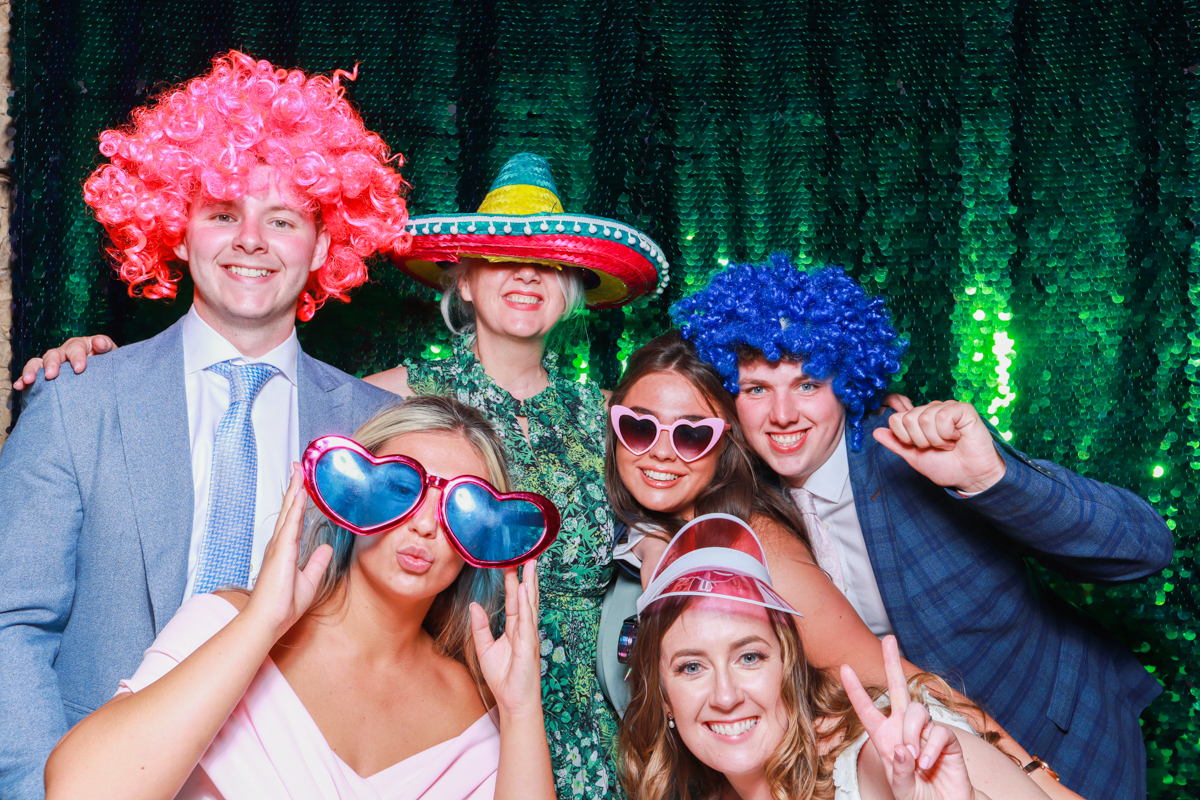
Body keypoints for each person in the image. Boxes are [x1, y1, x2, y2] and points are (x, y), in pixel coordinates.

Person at [0, 51, 407, 798]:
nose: (250, 240)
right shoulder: (77, 401)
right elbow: (10, 625)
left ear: (321, 246)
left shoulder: (380, 433)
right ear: (176, 233)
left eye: (282, 220)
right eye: (223, 214)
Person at [668, 254, 1174, 800]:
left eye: (808, 383)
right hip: (912, 769)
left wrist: (994, 479)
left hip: (1064, 740)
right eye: (757, 389)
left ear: (848, 381)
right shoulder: (748, 506)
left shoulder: (914, 450)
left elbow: (1144, 549)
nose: (783, 414)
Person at [44, 396, 557, 800]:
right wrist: (260, 626)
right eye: (402, 488)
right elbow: (80, 791)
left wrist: (521, 709)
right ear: (350, 493)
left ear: (482, 542)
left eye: (461, 509)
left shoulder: (480, 714)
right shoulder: (230, 623)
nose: (425, 524)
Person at [618, 513, 1051, 800]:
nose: (726, 695)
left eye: (749, 657)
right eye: (691, 667)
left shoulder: (883, 752)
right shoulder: (708, 789)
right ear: (664, 697)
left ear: (788, 667)